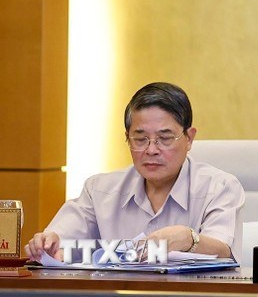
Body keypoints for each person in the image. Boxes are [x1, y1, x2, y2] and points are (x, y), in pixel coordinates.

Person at [25, 82, 245, 262]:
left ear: (189, 138)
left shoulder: (220, 187)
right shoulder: (98, 190)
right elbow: (60, 242)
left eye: (165, 139)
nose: (151, 150)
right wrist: (48, 243)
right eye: (140, 139)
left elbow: (223, 251)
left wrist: (189, 239)